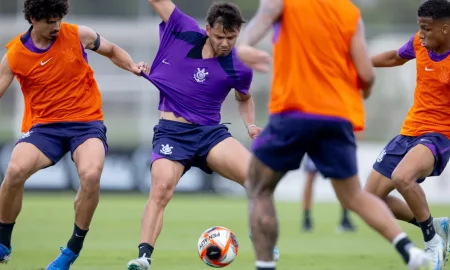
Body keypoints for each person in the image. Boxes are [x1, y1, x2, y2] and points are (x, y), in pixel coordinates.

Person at [236, 0, 432, 269]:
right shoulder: (349, 12)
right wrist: (363, 91)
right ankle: (408, 249)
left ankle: (265, 265)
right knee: (354, 196)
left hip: (294, 111)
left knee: (259, 187)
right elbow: (366, 73)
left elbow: (260, 21)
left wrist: (243, 46)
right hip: (338, 117)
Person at [126, 1, 278, 269]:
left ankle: (260, 236)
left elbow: (244, 98)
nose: (225, 43)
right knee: (160, 190)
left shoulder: (240, 64)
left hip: (210, 134)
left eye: (231, 38)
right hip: (172, 133)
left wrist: (250, 125)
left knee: (258, 179)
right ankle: (143, 257)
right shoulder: (182, 28)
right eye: (220, 36)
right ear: (207, 29)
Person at [0, 0, 149, 269]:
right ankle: (3, 243)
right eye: (50, 21)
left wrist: (132, 67)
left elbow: (113, 50)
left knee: (91, 175)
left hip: (86, 123)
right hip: (44, 127)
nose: (57, 26)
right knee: (14, 171)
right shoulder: (15, 54)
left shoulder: (79, 35)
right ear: (33, 19)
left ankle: (71, 251)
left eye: (59, 19)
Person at [364, 0, 450, 268]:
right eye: (419, 27)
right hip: (409, 131)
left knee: (403, 177)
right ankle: (437, 225)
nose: (421, 34)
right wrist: (355, 64)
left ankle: (431, 240)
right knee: (369, 199)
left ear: (446, 29)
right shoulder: (419, 43)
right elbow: (394, 57)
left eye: (426, 28)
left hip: (439, 135)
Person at [301, 155, 356, 233]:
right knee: (338, 178)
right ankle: (344, 218)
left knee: (337, 178)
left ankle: (306, 220)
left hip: (316, 146)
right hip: (329, 145)